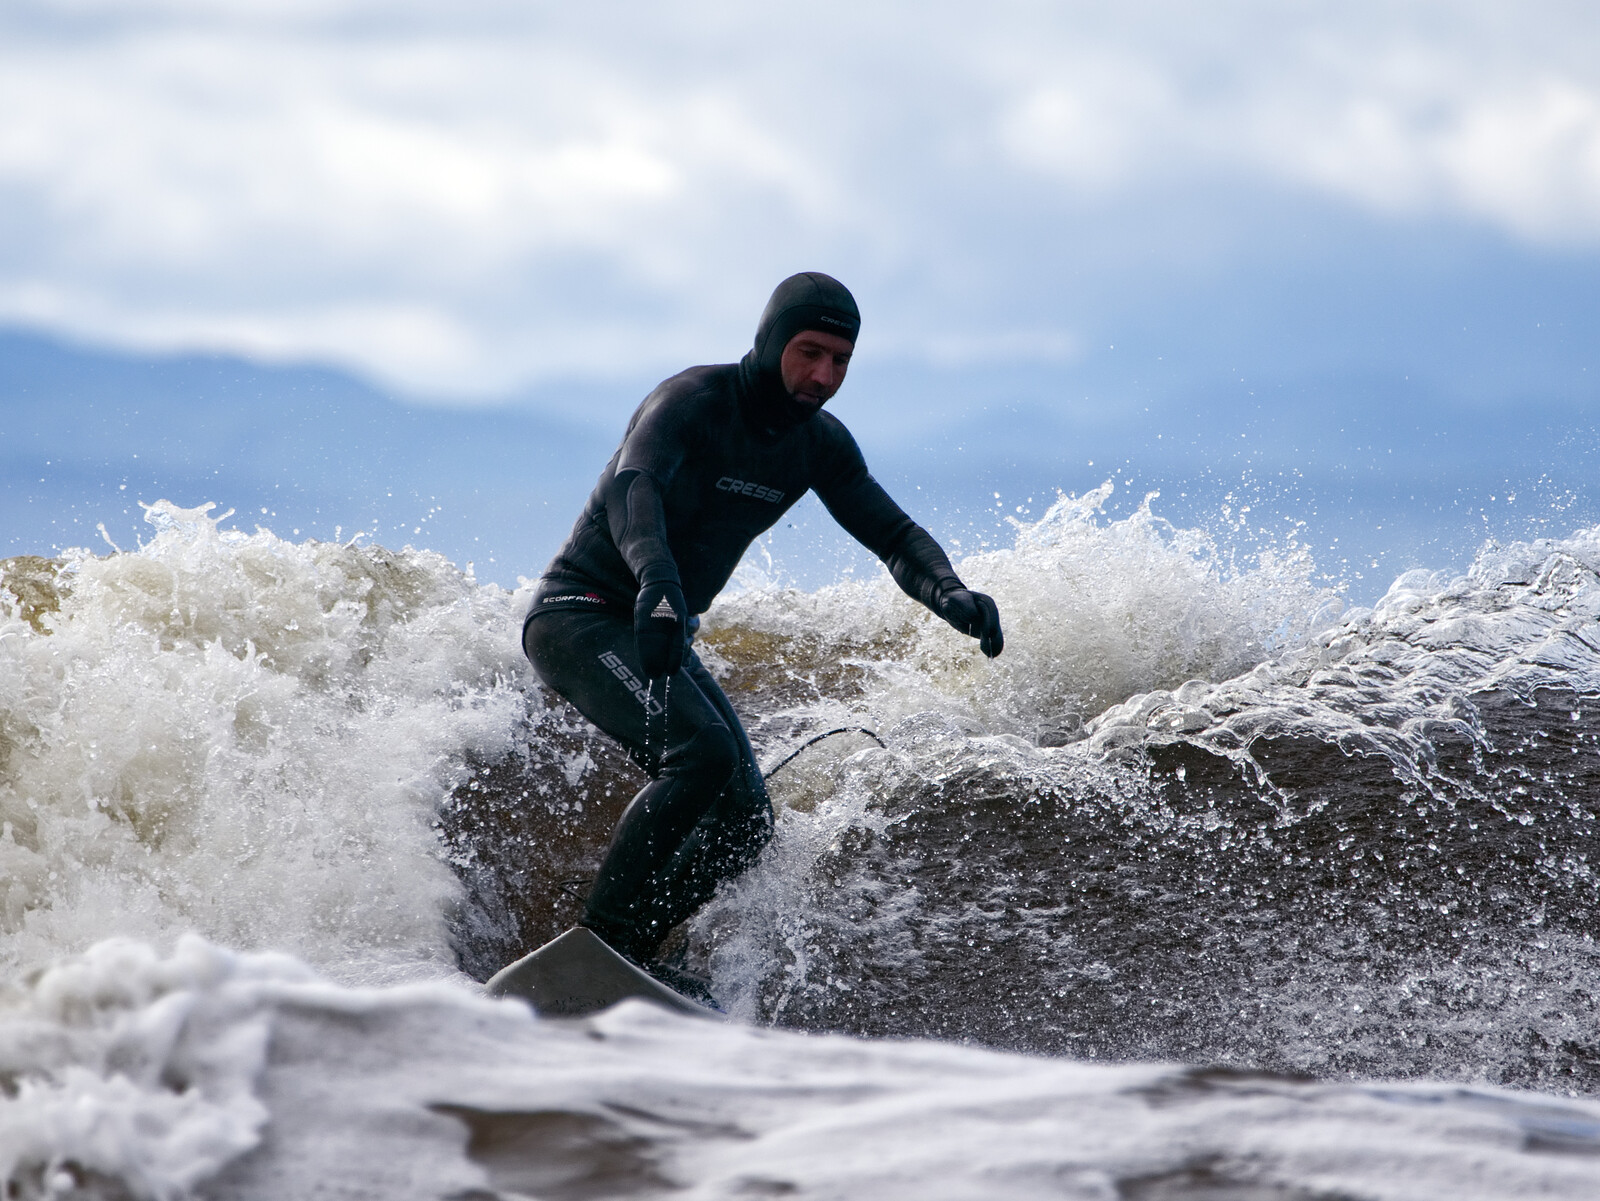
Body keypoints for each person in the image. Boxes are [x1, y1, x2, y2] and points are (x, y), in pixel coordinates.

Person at [522, 271, 1003, 976]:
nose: (823, 374)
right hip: (584, 614)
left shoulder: (818, 444)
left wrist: (947, 589)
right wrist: (656, 579)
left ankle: (629, 954)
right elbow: (637, 485)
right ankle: (601, 940)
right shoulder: (691, 401)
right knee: (703, 754)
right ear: (772, 339)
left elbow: (894, 535)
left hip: (665, 627)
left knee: (747, 825)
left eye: (840, 360)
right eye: (809, 351)